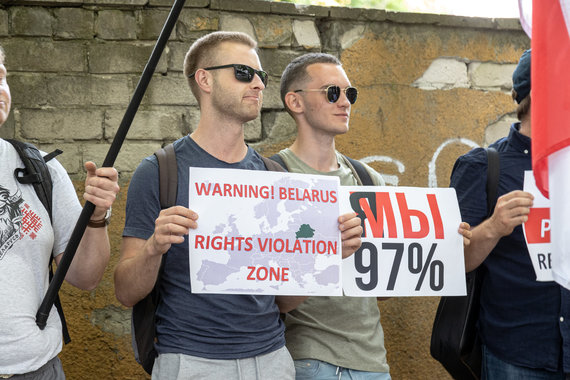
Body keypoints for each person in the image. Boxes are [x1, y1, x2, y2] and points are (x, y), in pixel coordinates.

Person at [113, 32, 363, 380]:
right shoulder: (158, 171)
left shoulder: (273, 174)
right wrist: (154, 248)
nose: (259, 84)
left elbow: (282, 301)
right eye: (244, 73)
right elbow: (125, 292)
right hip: (189, 362)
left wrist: (326, 254)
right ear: (205, 79)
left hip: (272, 359)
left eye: (261, 76)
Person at [274, 53, 472, 380]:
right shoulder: (273, 177)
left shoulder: (368, 179)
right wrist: (326, 252)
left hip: (372, 362)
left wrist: (441, 246)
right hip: (308, 360)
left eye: (349, 94)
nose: (345, 103)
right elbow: (267, 289)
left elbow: (383, 286)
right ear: (295, 102)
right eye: (332, 93)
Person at [0, 46, 120, 378]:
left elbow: (85, 277)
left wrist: (96, 218)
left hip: (38, 369)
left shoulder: (39, 169)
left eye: (2, 76)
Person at [451, 49, 570, 379]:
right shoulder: (483, 166)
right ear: (538, 93)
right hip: (516, 354)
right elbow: (452, 262)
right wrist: (493, 227)